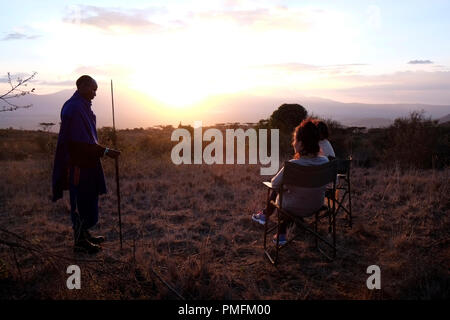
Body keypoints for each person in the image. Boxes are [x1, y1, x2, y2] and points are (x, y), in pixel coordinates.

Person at [52, 75, 120, 254]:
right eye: (93, 89)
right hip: (79, 166)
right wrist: (105, 151)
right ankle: (80, 243)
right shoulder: (74, 108)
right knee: (81, 201)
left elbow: (88, 138)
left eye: (96, 90)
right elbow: (79, 143)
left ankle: (85, 235)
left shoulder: (82, 106)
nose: (95, 94)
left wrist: (102, 151)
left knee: (89, 199)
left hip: (88, 164)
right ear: (81, 86)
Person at [252, 118, 329, 245]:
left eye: (295, 140)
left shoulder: (293, 165)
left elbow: (275, 184)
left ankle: (278, 232)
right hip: (317, 205)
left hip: (295, 207)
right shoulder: (325, 161)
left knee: (281, 195)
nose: (293, 143)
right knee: (289, 194)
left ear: (302, 144)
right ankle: (274, 225)